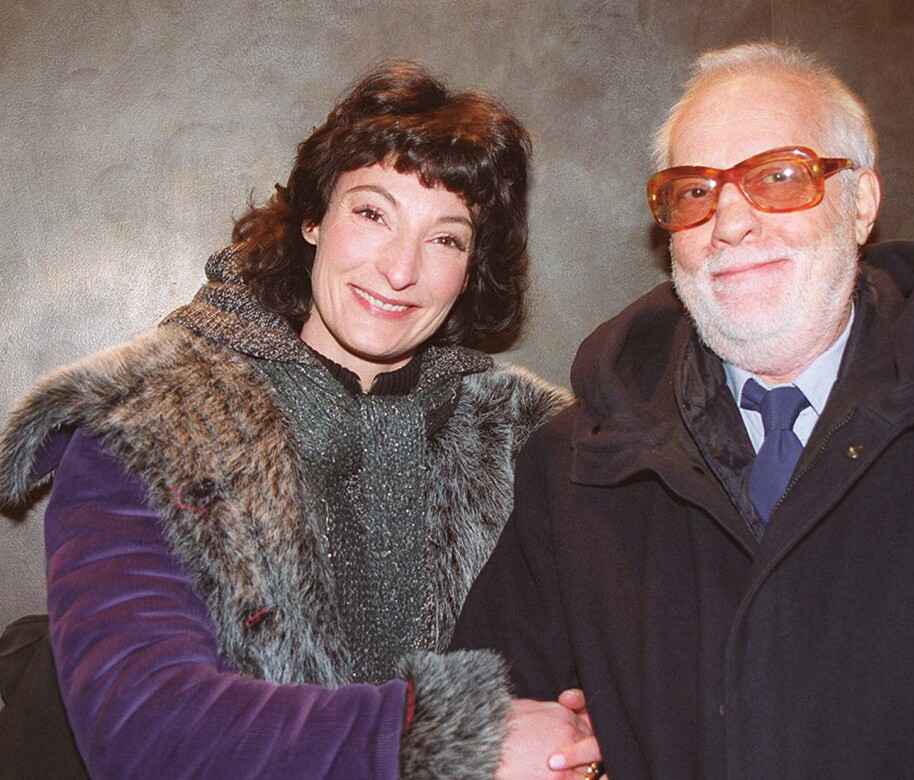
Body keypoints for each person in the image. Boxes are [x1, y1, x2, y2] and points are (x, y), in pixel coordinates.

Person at [451, 41, 914, 778]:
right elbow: (487, 721)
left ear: (861, 203)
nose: (732, 223)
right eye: (694, 192)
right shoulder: (575, 464)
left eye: (779, 176)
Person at [0, 61, 603, 779]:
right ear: (314, 218)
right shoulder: (146, 416)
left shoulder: (528, 440)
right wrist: (448, 740)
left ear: (471, 270)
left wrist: (593, 726)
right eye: (373, 213)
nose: (400, 269)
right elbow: (144, 725)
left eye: (446, 238)